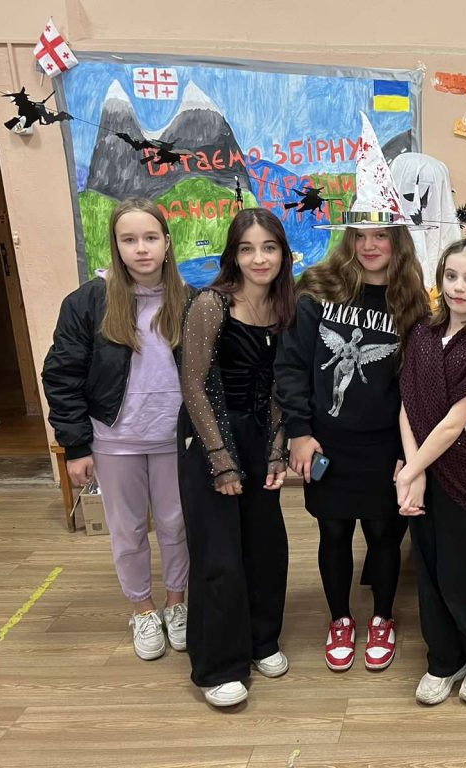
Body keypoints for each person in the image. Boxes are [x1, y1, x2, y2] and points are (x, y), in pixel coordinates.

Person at [274, 219, 428, 673]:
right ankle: (340, 619)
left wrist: (407, 452)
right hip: (326, 442)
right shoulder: (318, 290)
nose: (368, 245)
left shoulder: (411, 302)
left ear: (397, 241)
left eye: (380, 236)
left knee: (383, 533)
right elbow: (291, 366)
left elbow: (413, 385)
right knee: (334, 532)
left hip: (384, 444)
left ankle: (382, 618)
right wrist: (299, 432)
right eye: (359, 235)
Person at [42, 198, 191, 661]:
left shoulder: (189, 300)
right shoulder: (88, 302)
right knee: (128, 529)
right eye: (129, 240)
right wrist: (75, 446)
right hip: (114, 440)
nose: (141, 249)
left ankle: (176, 603)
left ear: (167, 243)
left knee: (176, 524)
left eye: (150, 238)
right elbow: (62, 375)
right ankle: (142, 609)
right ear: (116, 245)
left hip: (174, 438)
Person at [177, 208, 296, 707]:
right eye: (247, 249)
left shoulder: (287, 307)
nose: (259, 258)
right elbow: (193, 384)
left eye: (268, 247)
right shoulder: (211, 304)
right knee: (220, 552)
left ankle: (261, 639)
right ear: (233, 255)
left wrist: (276, 451)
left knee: (265, 545)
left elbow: (283, 385)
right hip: (212, 437)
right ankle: (220, 665)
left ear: (283, 254)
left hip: (258, 437)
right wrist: (221, 460)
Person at [397, 237, 466, 705]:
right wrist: (413, 472)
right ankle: (445, 658)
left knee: (464, 572)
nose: (459, 288)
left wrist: (409, 473)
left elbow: (451, 423)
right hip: (422, 463)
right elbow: (407, 406)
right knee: (428, 569)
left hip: (460, 463)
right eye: (451, 276)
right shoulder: (422, 333)